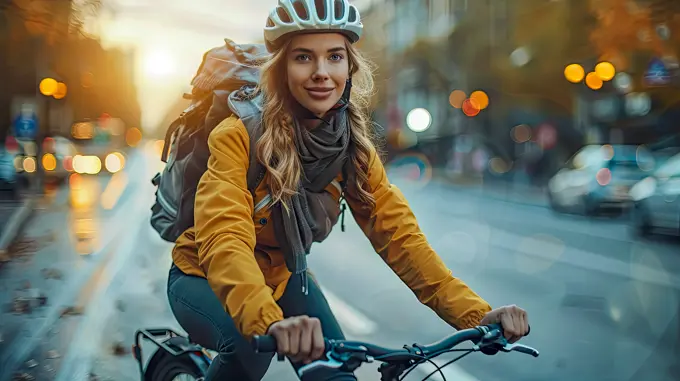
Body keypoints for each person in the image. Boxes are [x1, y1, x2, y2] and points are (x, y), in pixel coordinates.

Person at [166, 0, 530, 380]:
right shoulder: (238, 135)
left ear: (350, 67)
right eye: (304, 57)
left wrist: (475, 314)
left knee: (336, 373)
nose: (321, 72)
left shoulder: (351, 147)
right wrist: (267, 321)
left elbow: (400, 237)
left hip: (285, 278)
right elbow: (225, 237)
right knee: (249, 347)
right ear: (281, 70)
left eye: (334, 57)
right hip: (203, 277)